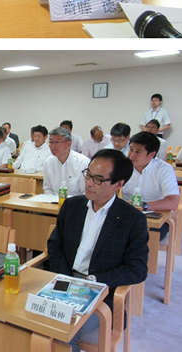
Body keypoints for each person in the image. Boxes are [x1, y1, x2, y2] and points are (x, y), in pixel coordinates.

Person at [48, 149, 149, 352]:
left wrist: (93, 281)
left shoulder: (132, 219)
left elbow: (137, 268)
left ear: (118, 184)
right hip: (65, 282)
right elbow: (55, 244)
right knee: (22, 321)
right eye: (88, 174)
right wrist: (68, 279)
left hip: (100, 293)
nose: (89, 183)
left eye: (99, 179)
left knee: (61, 334)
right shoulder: (71, 206)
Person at [122, 132, 179, 238]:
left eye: (138, 152)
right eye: (131, 149)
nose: (131, 155)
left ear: (151, 154)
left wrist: (143, 205)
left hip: (155, 216)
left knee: (140, 238)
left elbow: (173, 202)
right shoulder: (123, 166)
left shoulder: (164, 169)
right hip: (127, 215)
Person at [43, 127, 89, 196]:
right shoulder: (48, 162)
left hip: (75, 204)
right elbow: (48, 189)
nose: (53, 146)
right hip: (54, 203)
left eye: (57, 142)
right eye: (51, 142)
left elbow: (85, 192)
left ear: (68, 144)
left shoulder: (83, 162)